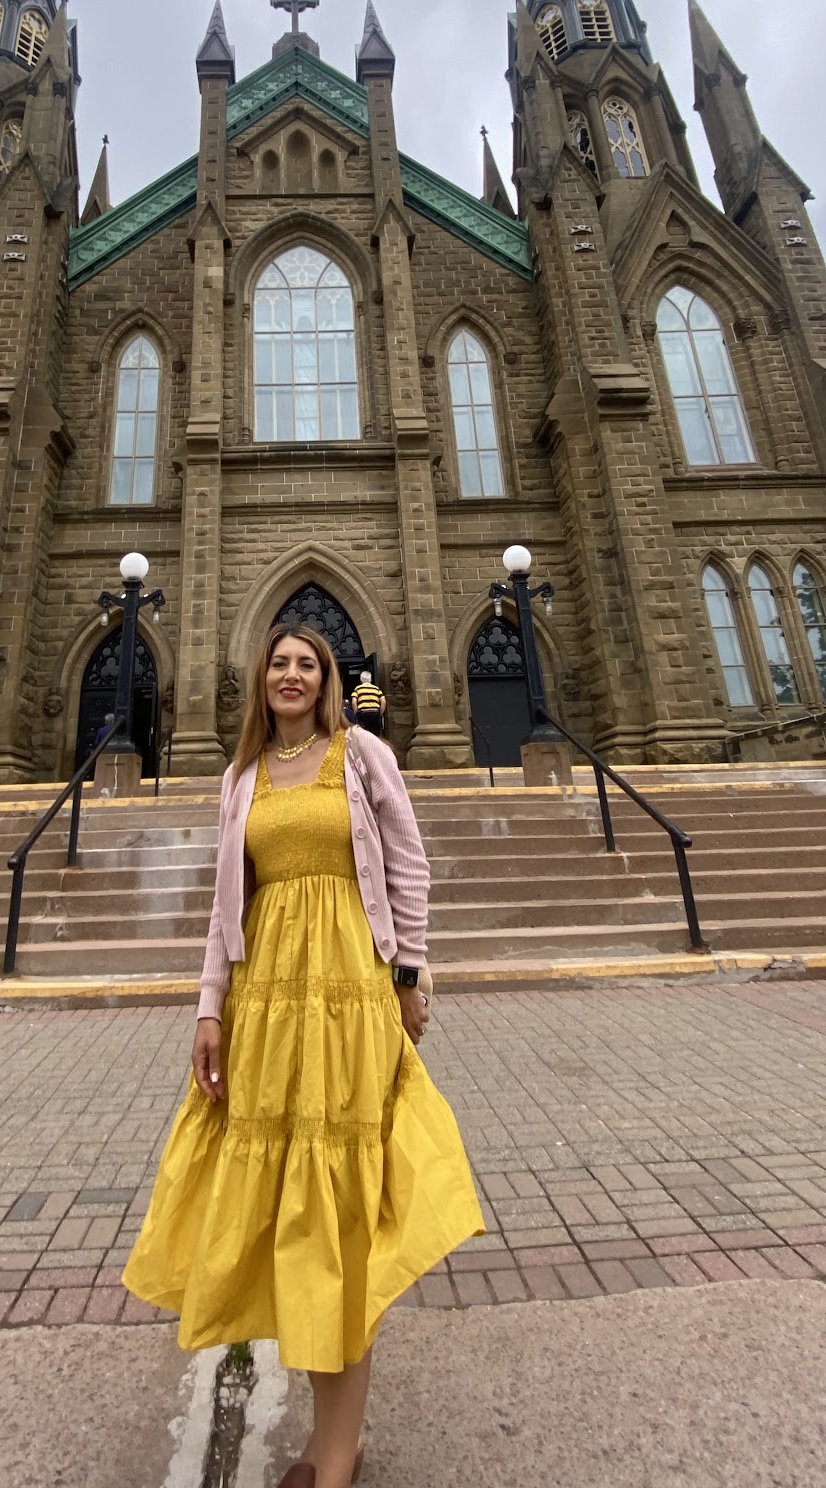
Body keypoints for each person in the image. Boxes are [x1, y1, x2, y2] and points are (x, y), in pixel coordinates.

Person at [123, 623, 483, 1488]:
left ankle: (336, 1450)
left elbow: (409, 866)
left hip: (350, 997)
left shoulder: (361, 754)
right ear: (262, 679)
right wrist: (209, 1009)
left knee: (343, 1212)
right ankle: (334, 1442)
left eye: (307, 665)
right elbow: (226, 909)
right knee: (296, 1212)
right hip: (268, 1008)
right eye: (279, 664)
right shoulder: (241, 776)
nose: (292, 675)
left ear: (327, 680)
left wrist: (409, 972)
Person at [349, 669, 387, 738]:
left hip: (363, 714)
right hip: (375, 713)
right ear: (370, 679)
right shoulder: (376, 688)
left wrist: (356, 713)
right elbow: (383, 701)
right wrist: (380, 713)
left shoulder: (358, 689)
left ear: (361, 680)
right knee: (376, 735)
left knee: (363, 735)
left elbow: (354, 702)